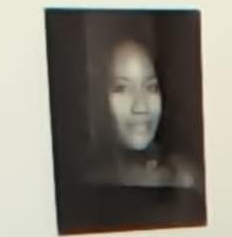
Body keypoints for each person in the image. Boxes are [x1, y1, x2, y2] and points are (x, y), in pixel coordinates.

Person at [82, 27, 200, 191]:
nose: (141, 107)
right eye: (122, 88)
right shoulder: (84, 186)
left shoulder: (186, 180)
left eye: (151, 87)